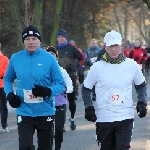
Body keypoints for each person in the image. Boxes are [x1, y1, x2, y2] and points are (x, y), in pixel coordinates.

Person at [82, 30, 147, 150]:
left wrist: (142, 102)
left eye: (116, 46)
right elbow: (86, 89)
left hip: (125, 117)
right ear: (105, 47)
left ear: (121, 45)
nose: (113, 50)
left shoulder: (131, 65)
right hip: (103, 118)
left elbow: (141, 86)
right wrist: (88, 107)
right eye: (110, 46)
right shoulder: (97, 67)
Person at [4, 25, 66, 150]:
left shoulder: (49, 59)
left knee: (45, 147)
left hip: (45, 111)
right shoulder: (16, 58)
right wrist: (10, 95)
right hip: (24, 111)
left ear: (39, 40)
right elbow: (7, 79)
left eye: (33, 38)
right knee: (25, 146)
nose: (30, 42)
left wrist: (48, 91)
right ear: (23, 42)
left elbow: (61, 84)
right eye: (27, 39)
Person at [46, 46, 73, 150]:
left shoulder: (62, 71)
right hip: (45, 105)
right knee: (46, 131)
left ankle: (57, 147)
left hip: (59, 104)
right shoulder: (41, 71)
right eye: (48, 55)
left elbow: (70, 86)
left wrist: (65, 90)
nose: (51, 57)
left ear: (56, 57)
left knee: (58, 130)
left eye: (53, 55)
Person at [55, 29, 83, 131]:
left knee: (71, 100)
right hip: (58, 77)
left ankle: (72, 118)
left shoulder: (72, 48)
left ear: (65, 38)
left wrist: (76, 66)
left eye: (62, 37)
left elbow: (82, 58)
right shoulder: (54, 49)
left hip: (70, 76)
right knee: (59, 101)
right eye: (59, 37)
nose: (60, 39)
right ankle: (60, 123)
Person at [0, 43, 9, 132]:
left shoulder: (5, 59)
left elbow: (5, 72)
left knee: (3, 106)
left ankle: (4, 125)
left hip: (2, 85)